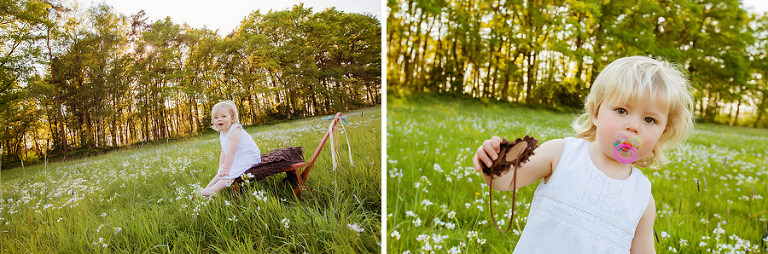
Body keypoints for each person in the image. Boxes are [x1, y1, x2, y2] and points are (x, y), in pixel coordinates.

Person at [472, 56, 694, 253]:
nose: (633, 126)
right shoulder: (561, 154)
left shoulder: (642, 198)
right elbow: (503, 181)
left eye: (649, 120)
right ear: (596, 113)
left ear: (661, 133)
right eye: (621, 111)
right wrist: (492, 161)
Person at [199, 100, 261, 196]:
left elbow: (231, 151)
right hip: (238, 156)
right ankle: (206, 189)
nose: (219, 119)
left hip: (249, 156)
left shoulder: (235, 130)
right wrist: (221, 167)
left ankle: (214, 190)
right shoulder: (222, 133)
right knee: (221, 171)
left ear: (232, 118)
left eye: (223, 116)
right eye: (216, 117)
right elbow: (224, 152)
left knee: (230, 171)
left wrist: (226, 169)